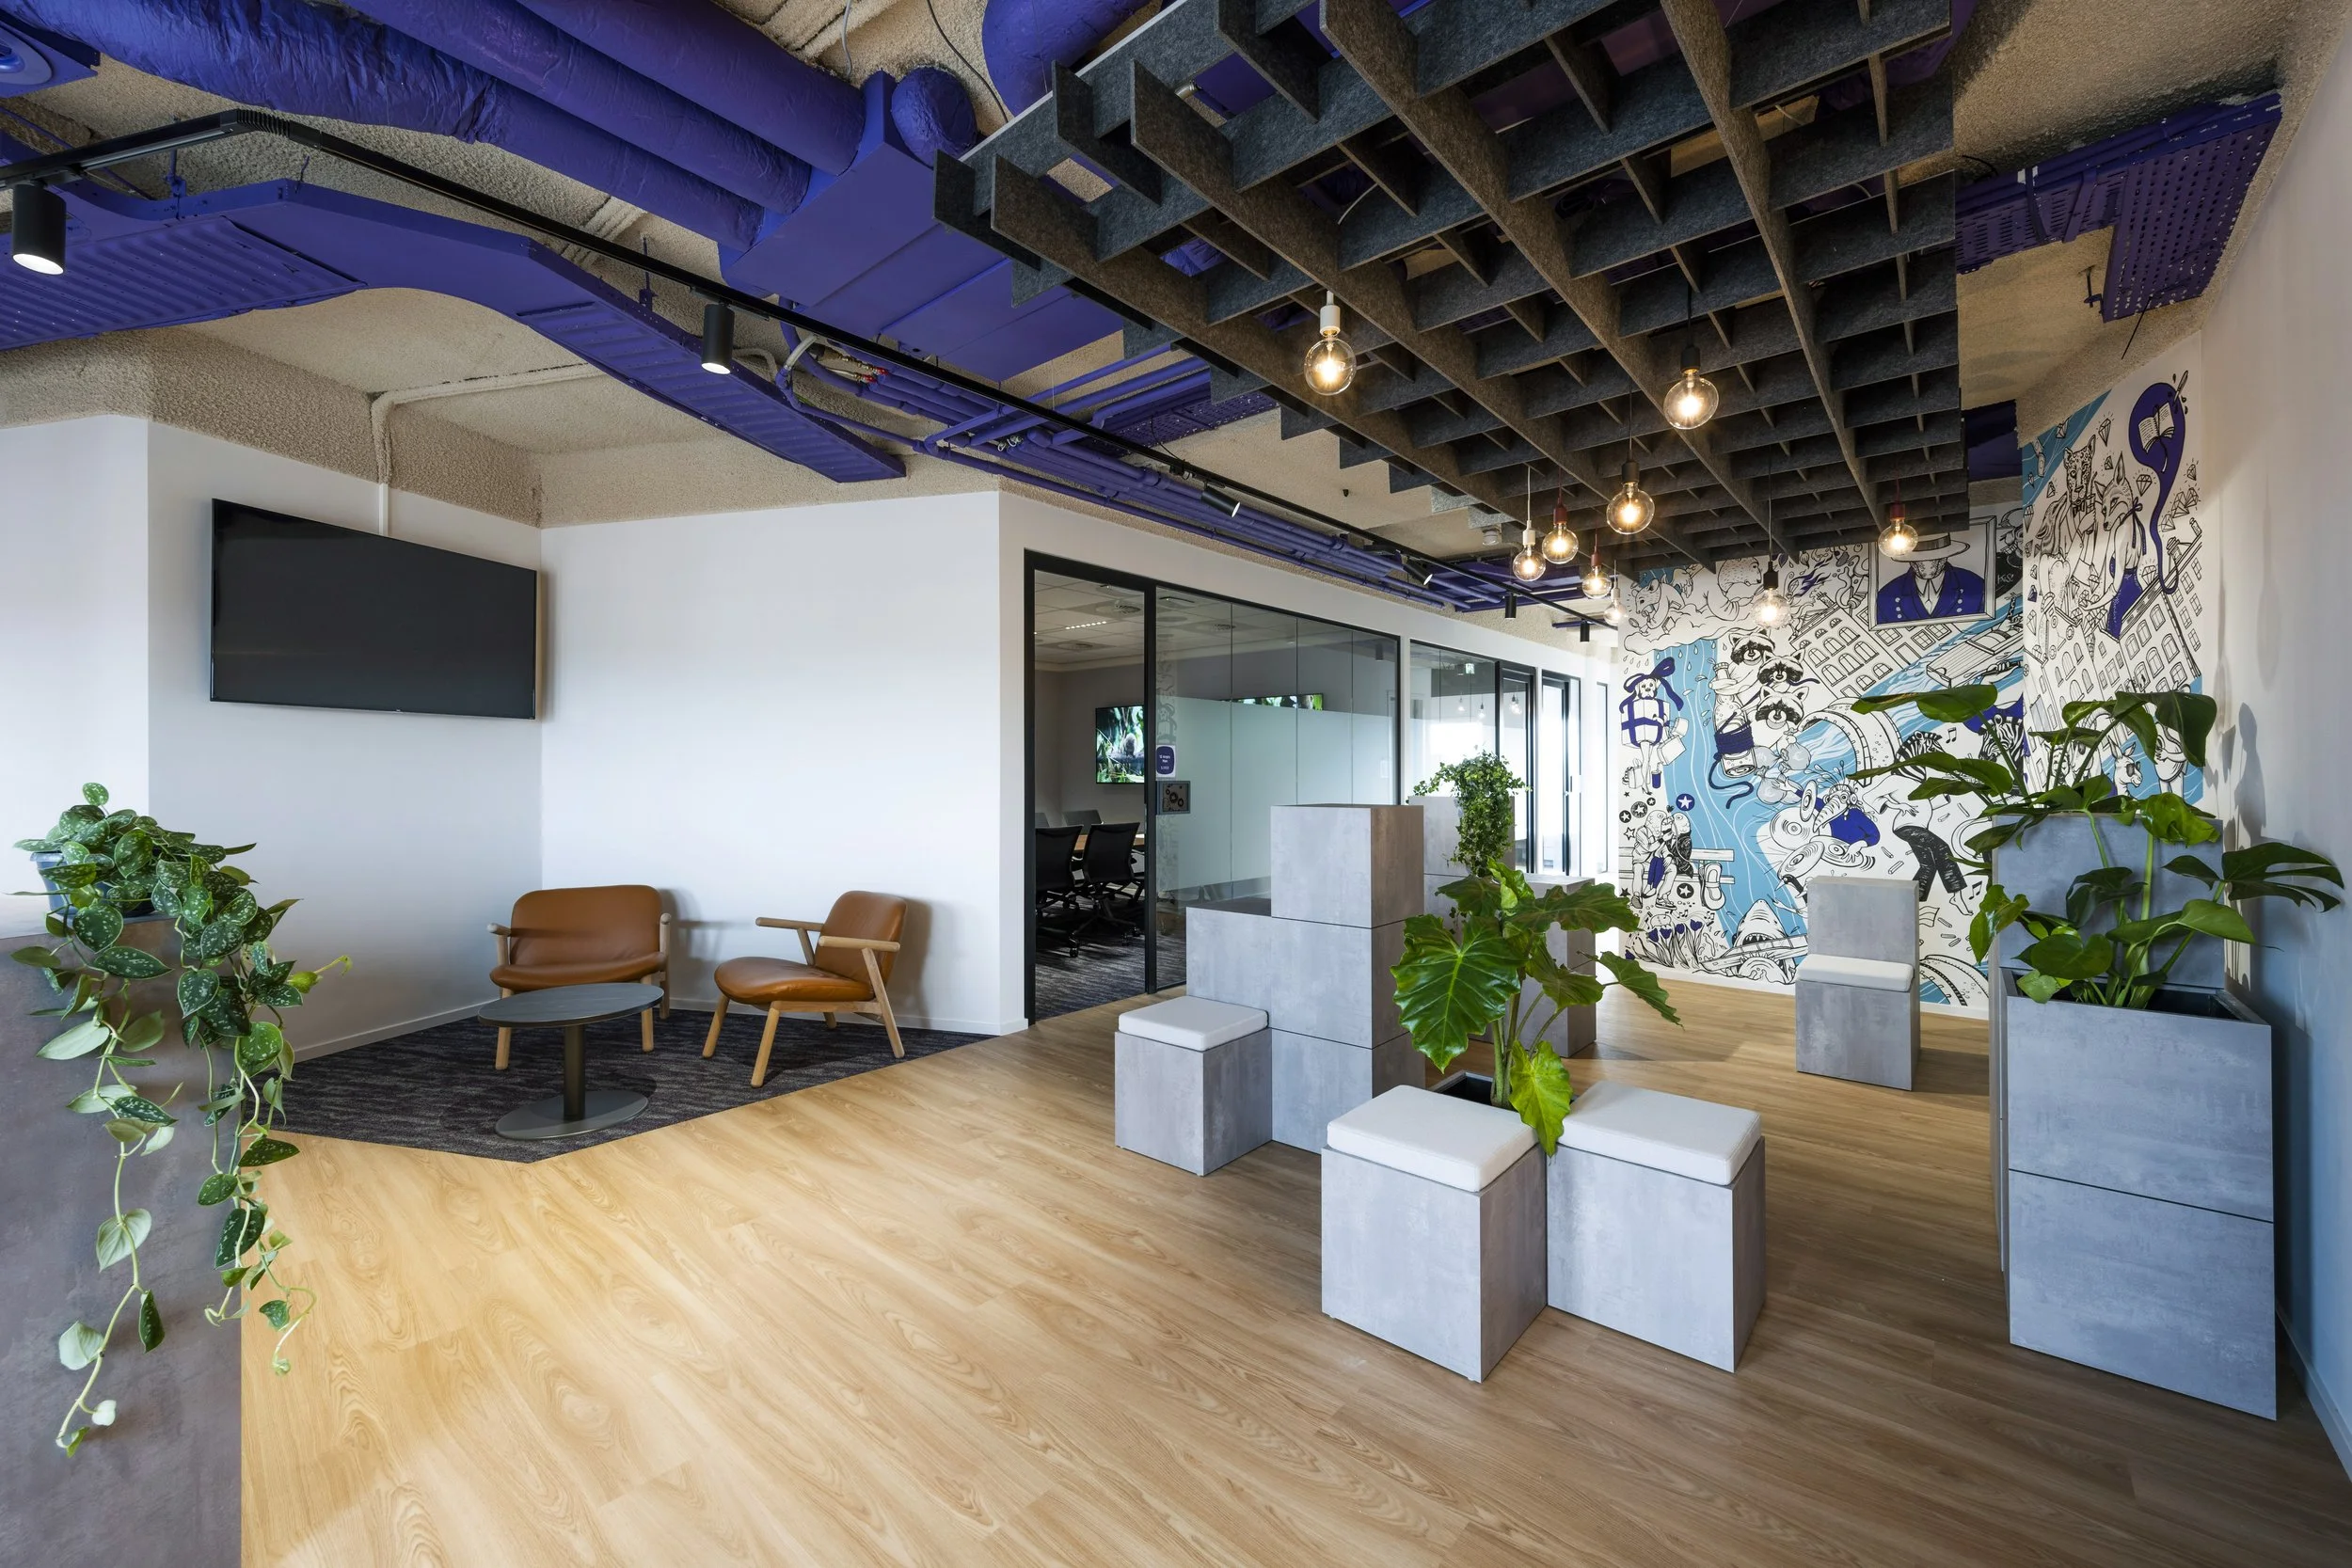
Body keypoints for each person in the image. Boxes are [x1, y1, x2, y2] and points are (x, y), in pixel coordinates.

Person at [1877, 534, 1986, 623]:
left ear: (1944, 558)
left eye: (1932, 558)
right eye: (1919, 559)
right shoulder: (1887, 594)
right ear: (1911, 561)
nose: (1925, 565)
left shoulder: (1975, 585)